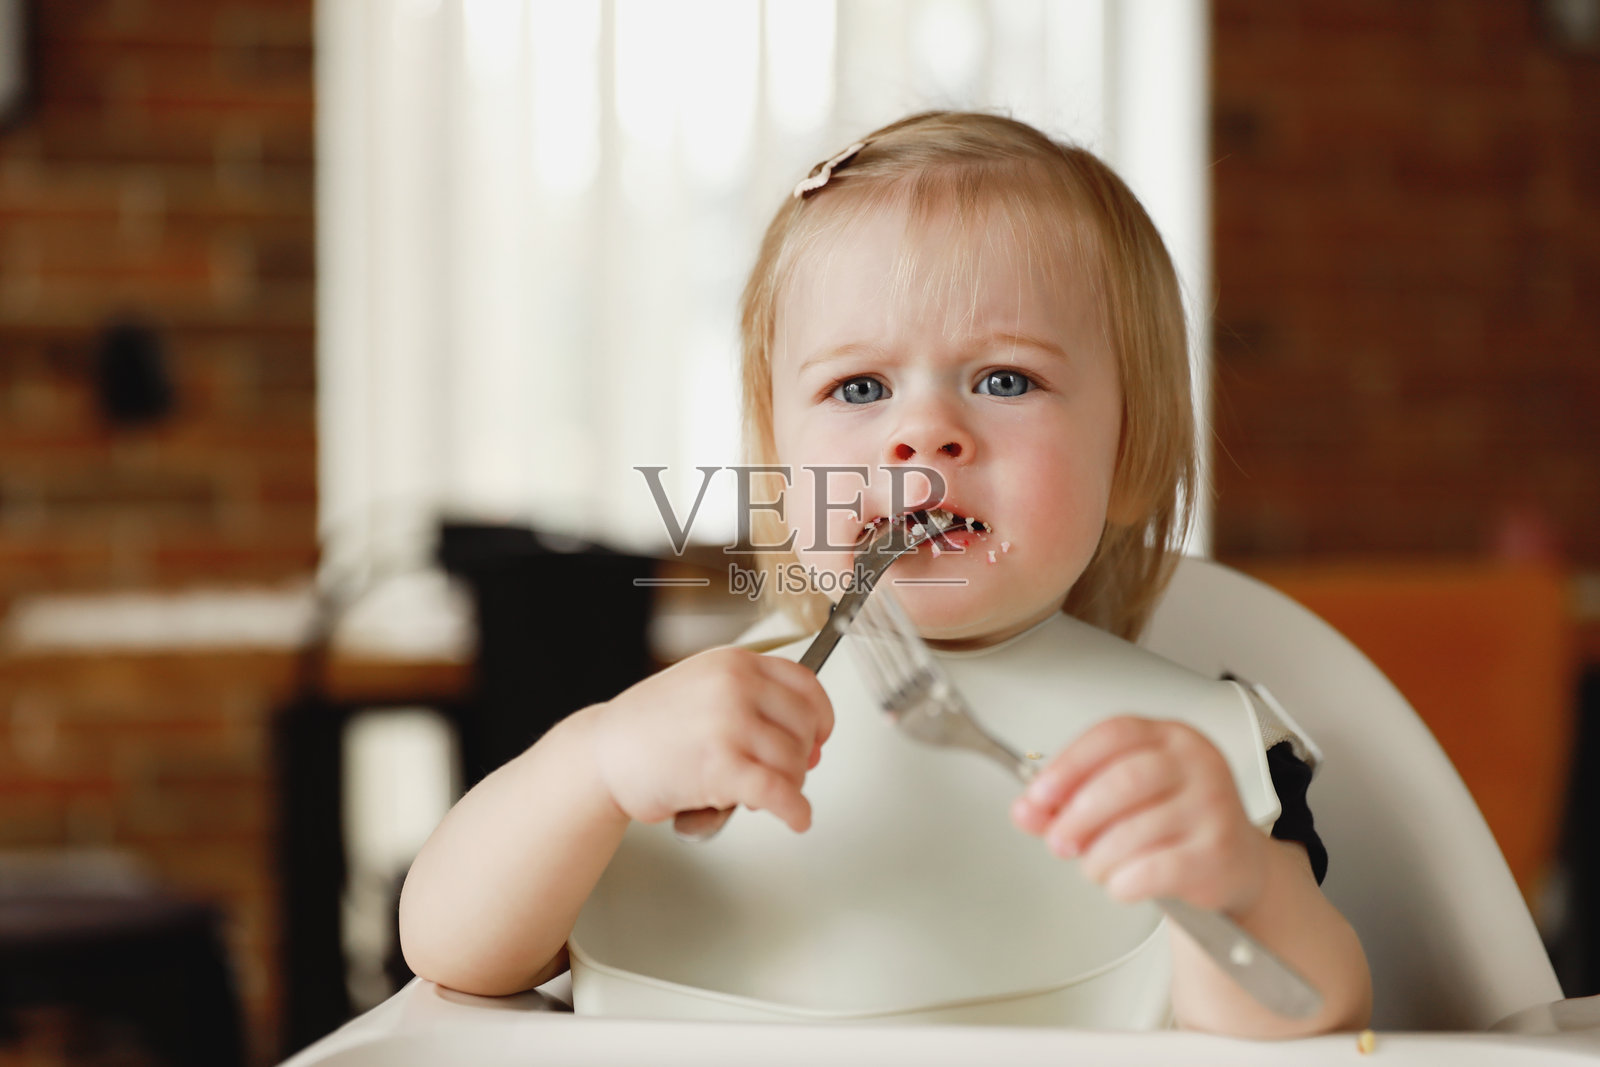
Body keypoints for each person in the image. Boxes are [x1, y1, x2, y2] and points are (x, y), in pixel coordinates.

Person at [398, 111, 1372, 1037]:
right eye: (858, 387)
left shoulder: (1196, 758)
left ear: (1130, 456)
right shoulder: (675, 732)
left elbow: (1316, 1022)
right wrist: (594, 764)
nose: (922, 431)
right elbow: (449, 951)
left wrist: (1232, 876)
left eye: (1005, 379)